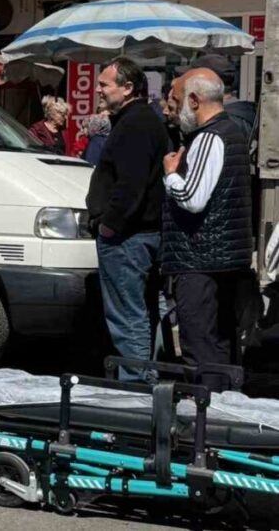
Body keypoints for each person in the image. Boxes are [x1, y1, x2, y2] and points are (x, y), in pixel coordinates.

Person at [162, 68, 254, 390]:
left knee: (201, 348)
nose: (170, 108)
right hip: (221, 260)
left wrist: (171, 174)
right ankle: (222, 414)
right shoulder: (231, 133)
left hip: (201, 260)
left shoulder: (210, 137)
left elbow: (192, 198)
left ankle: (205, 421)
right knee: (220, 346)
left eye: (175, 100)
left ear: (194, 100)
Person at [86, 58, 170, 382]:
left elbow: (130, 183)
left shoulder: (136, 124)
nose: (99, 90)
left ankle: (135, 390)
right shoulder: (138, 120)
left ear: (128, 87)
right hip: (136, 234)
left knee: (128, 317)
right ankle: (143, 382)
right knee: (142, 312)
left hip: (128, 237)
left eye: (105, 84)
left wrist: (110, 225)